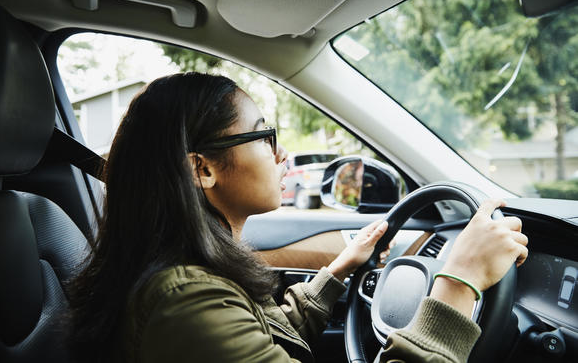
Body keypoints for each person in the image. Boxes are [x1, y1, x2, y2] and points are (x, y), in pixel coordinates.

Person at [67, 72, 528, 363]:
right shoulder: (184, 302)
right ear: (202, 169)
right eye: (262, 135)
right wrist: (457, 283)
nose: (281, 152)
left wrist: (339, 269)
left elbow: (263, 334)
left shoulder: (196, 274)